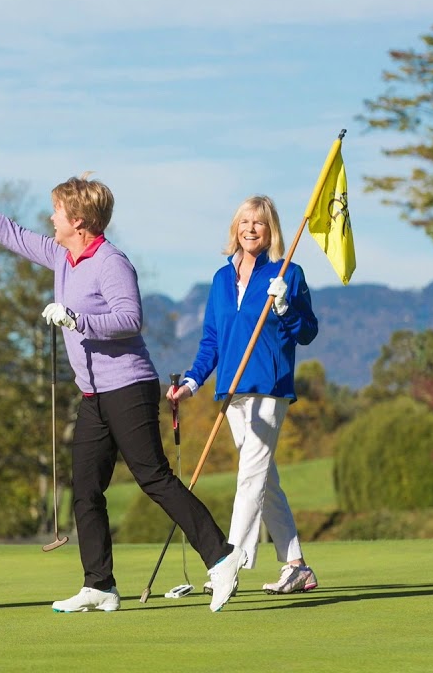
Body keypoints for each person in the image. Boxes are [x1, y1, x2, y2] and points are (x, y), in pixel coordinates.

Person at [0, 157, 243, 613]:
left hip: (129, 386)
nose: (50, 219)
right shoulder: (62, 257)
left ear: (79, 222)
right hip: (94, 396)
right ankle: (100, 584)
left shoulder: (111, 262)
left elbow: (130, 318)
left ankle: (222, 557)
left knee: (153, 478)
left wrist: (76, 318)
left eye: (57, 213)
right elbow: (12, 234)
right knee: (85, 488)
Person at [166, 195, 320, 595]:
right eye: (245, 222)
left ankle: (227, 561)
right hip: (231, 391)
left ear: (272, 231)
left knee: (250, 475)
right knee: (265, 478)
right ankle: (296, 565)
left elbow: (307, 332)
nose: (251, 229)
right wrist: (192, 382)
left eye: (260, 223)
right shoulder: (220, 278)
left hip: (269, 388)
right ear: (235, 228)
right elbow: (212, 341)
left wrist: (285, 305)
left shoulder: (288, 272)